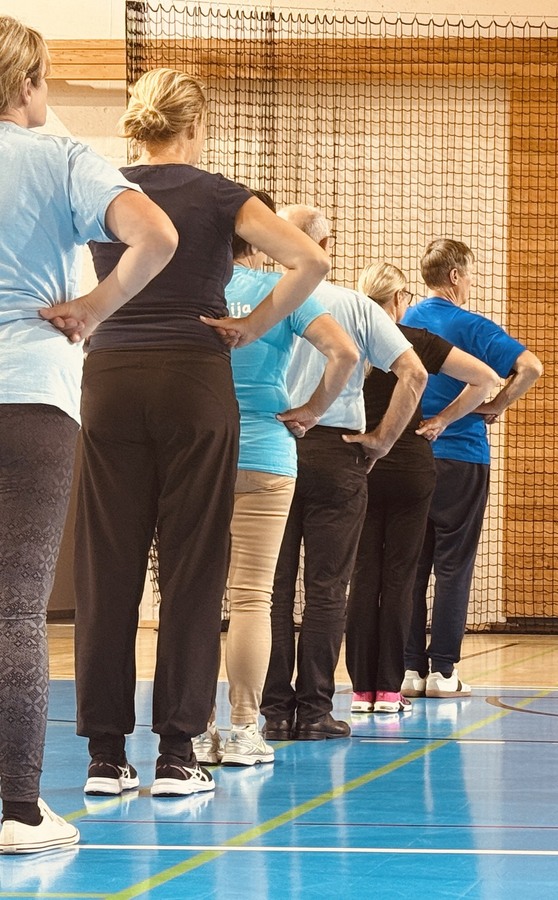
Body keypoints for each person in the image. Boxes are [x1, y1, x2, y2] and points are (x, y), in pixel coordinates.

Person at [75, 68, 329, 799]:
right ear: (195, 126)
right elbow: (311, 260)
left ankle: (105, 758)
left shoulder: (103, 185)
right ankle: (177, 755)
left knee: (107, 569)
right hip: (193, 380)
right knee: (192, 566)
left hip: (109, 378)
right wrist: (252, 324)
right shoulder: (221, 194)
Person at [0, 16, 177, 853]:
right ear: (28, 83)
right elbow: (156, 236)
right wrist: (93, 310)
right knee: (13, 609)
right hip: (29, 397)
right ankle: (17, 810)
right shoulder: (60, 157)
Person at [191, 189, 358, 768]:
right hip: (266, 453)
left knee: (197, 596)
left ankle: (195, 731)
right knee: (252, 597)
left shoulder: (193, 290)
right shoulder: (279, 290)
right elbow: (344, 354)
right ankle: (243, 728)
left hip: (199, 456)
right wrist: (310, 411)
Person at [262, 205, 426, 741]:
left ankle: (272, 711)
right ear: (325, 246)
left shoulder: (259, 299)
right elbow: (414, 373)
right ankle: (314, 711)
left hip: (270, 448)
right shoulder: (355, 305)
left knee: (271, 589)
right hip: (336, 453)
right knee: (328, 587)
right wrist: (382, 440)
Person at [347, 262, 500, 714]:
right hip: (410, 467)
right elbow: (487, 379)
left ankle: (361, 692)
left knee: (363, 576)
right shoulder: (415, 341)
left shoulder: (344, 338)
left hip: (359, 465)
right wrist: (442, 420)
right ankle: (392, 689)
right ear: (399, 300)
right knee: (403, 575)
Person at [400, 239, 543, 698]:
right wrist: (497, 405)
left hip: (407, 457)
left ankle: (408, 669)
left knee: (410, 566)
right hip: (461, 457)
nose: (473, 281)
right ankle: (443, 672)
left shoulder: (402, 320)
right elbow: (530, 367)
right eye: (471, 273)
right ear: (456, 276)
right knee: (453, 566)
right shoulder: (471, 325)